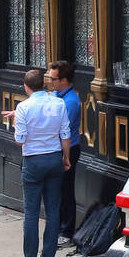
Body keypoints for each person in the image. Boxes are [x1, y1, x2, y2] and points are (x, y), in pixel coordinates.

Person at [2, 68, 71, 257]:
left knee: (31, 212)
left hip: (33, 161)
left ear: (26, 86)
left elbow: (20, 140)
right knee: (53, 210)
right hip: (54, 158)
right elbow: (65, 133)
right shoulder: (59, 103)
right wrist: (65, 157)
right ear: (44, 84)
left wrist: (15, 123)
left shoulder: (23, 107)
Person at [45, 61, 82, 245]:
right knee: (58, 191)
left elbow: (61, 130)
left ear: (64, 80)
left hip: (68, 149)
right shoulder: (58, 95)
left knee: (66, 191)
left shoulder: (71, 102)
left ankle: (66, 231)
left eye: (54, 79)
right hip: (59, 148)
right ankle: (59, 226)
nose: (51, 82)